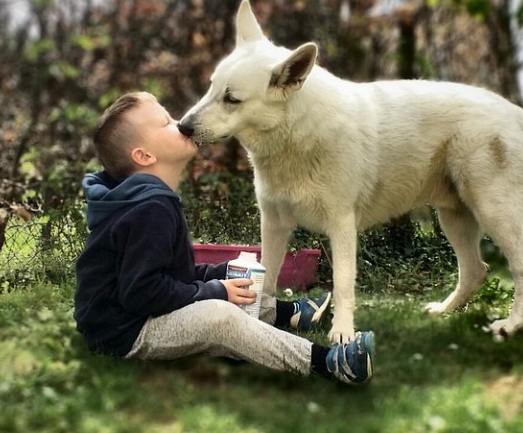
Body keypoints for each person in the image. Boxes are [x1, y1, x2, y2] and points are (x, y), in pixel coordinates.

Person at [73, 91, 374, 385]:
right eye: (166, 122)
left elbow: (172, 274)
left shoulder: (147, 199)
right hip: (124, 331)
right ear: (144, 156)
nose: (180, 123)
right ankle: (331, 362)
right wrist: (215, 291)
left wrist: (222, 273)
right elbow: (143, 293)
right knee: (220, 316)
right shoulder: (149, 208)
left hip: (132, 315)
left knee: (234, 286)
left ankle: (294, 313)